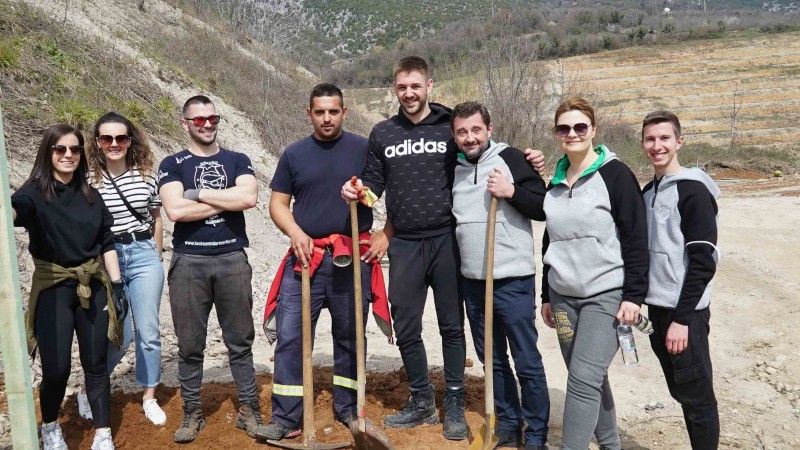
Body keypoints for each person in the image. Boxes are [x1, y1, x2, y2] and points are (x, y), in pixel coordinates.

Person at [341, 56, 468, 440]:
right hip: (406, 244)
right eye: (402, 87)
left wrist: (524, 162)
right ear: (394, 89)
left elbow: (481, 154)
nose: (409, 93)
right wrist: (357, 192)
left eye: (415, 86)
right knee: (407, 325)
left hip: (446, 238)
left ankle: (455, 402)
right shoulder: (384, 133)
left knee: (451, 325)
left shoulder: (449, 126)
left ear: (429, 86)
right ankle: (422, 400)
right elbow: (374, 187)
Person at [262, 83, 392, 440]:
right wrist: (295, 232)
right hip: (307, 258)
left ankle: (349, 409)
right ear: (309, 114)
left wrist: (386, 233)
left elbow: (387, 190)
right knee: (291, 335)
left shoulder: (364, 149)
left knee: (350, 336)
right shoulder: (294, 154)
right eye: (319, 112)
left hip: (353, 258)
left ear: (344, 112)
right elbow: (277, 204)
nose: (327, 118)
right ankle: (287, 417)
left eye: (333, 111)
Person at [539, 97, 649, 450]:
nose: (572, 133)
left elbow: (636, 238)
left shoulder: (615, 175)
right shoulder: (556, 180)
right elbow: (551, 239)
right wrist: (545, 294)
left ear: (593, 130)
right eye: (564, 128)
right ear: (556, 134)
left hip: (605, 294)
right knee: (588, 377)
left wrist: (634, 296)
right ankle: (611, 444)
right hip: (562, 296)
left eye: (579, 127)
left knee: (583, 379)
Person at [158, 95, 267, 442]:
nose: (207, 124)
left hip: (232, 258)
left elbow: (248, 198)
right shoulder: (172, 163)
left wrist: (196, 193)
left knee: (240, 340)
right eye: (199, 119)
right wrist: (225, 200)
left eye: (212, 118)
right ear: (185, 123)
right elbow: (175, 211)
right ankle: (192, 412)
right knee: (190, 344)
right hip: (189, 261)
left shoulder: (238, 159)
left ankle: (249, 408)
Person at [11, 124, 125, 450]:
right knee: (57, 369)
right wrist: (10, 209)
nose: (68, 155)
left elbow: (106, 241)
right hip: (54, 288)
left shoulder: (90, 195)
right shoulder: (33, 193)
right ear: (48, 152)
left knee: (96, 364)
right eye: (60, 149)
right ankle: (50, 426)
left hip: (93, 284)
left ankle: (103, 433)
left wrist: (117, 285)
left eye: (74, 149)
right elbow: (16, 211)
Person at [450, 101, 550, 449]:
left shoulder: (511, 158)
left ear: (489, 129)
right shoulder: (455, 167)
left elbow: (543, 206)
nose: (470, 137)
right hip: (473, 281)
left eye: (476, 130)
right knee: (491, 360)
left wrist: (511, 192)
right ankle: (508, 423)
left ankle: (535, 434)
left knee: (526, 359)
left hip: (512, 278)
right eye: (462, 132)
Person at [75, 112, 166, 426]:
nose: (114, 144)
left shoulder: (147, 175)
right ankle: (88, 388)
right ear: (97, 142)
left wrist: (156, 254)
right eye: (107, 138)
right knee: (118, 334)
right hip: (106, 260)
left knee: (149, 332)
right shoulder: (87, 179)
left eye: (121, 138)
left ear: (130, 141)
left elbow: (156, 218)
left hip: (143, 255)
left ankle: (149, 396)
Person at [640, 110, 720, 450]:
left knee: (698, 397)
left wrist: (682, 319)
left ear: (679, 142)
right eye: (650, 139)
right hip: (659, 308)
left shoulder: (693, 191)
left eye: (664, 138)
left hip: (685, 313)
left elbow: (703, 262)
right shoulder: (648, 192)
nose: (657, 145)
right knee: (681, 390)